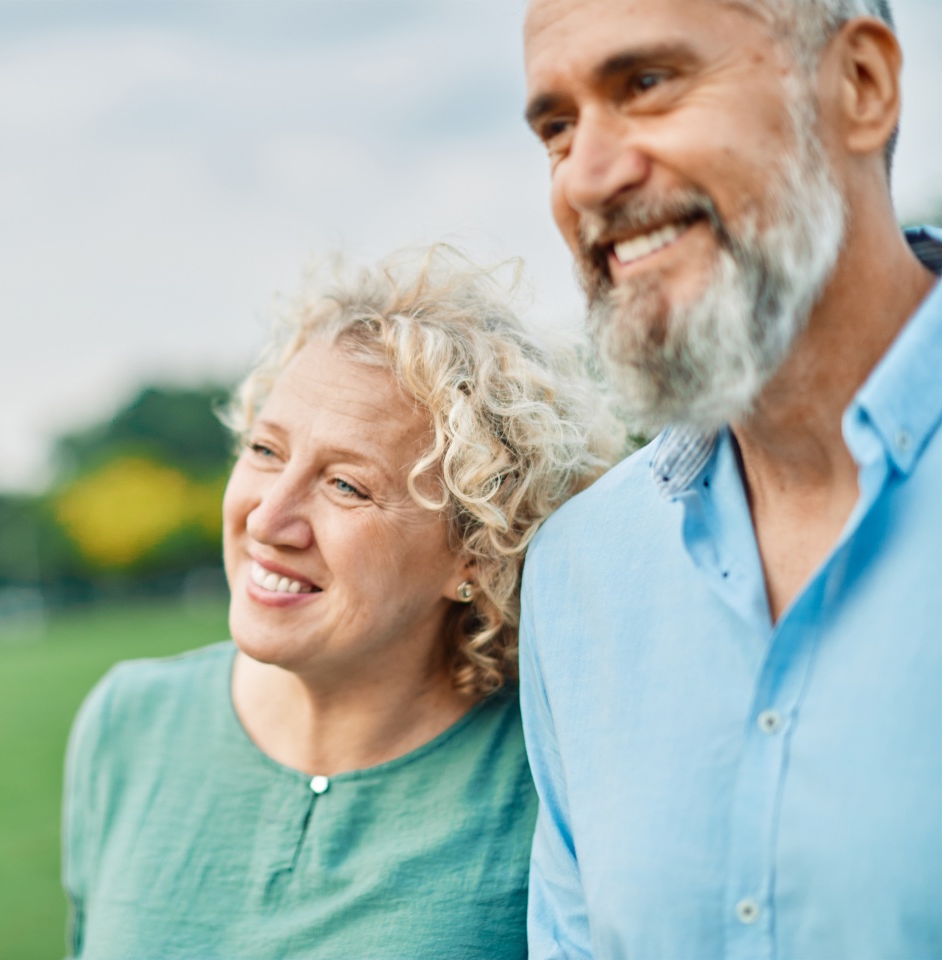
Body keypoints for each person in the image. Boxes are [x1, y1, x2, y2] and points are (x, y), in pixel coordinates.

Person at [519, 0, 941, 957]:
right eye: (556, 127)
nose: (588, 175)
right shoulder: (578, 572)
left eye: (648, 85)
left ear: (861, 86)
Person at [62, 245, 617, 959]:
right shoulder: (127, 724)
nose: (267, 520)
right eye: (265, 450)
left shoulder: (552, 775)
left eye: (346, 485)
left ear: (478, 549)